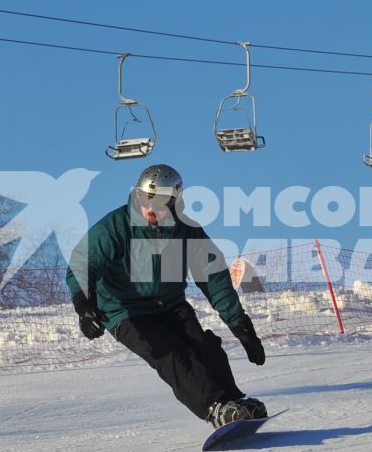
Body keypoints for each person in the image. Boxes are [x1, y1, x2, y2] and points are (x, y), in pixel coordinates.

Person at [67, 163, 267, 428]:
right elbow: (82, 264)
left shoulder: (187, 231)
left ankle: (233, 401)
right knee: (171, 354)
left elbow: (214, 277)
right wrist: (84, 305)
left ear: (174, 203)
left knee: (205, 347)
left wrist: (241, 326)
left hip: (170, 305)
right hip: (124, 311)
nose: (150, 208)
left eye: (160, 203)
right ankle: (214, 407)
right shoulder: (116, 227)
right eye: (145, 199)